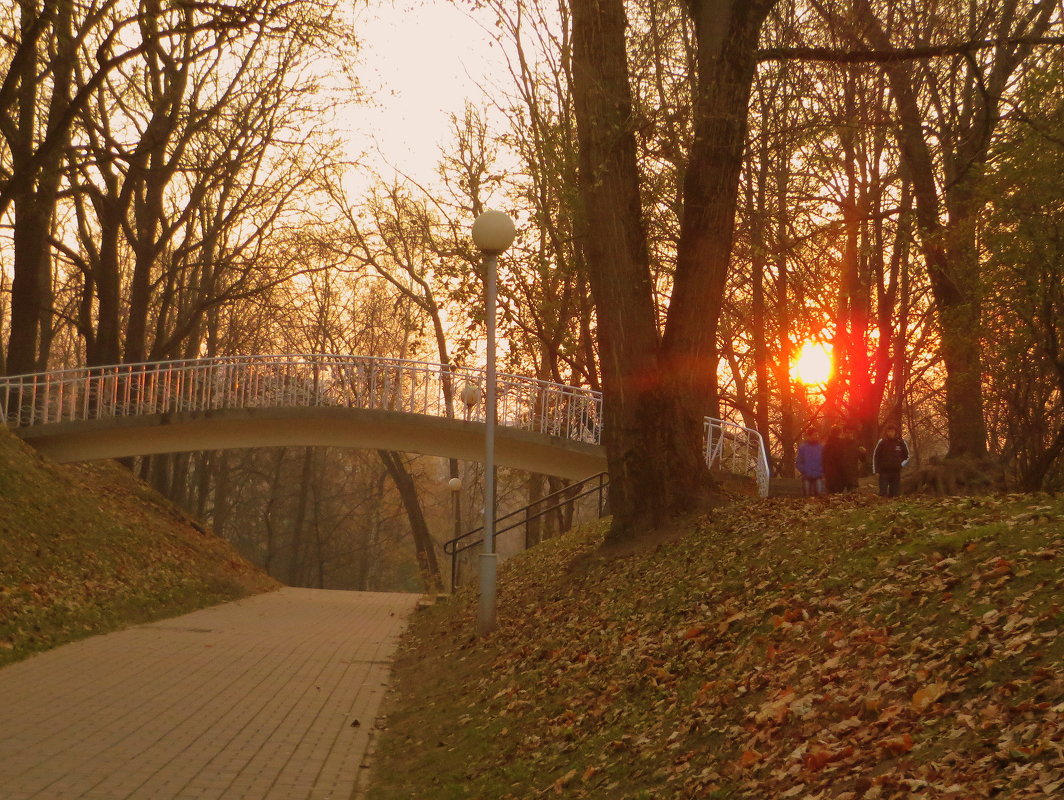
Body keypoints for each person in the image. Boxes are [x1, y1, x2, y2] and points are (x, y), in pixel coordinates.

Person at [873, 424, 910, 497]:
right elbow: (876, 457)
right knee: (883, 493)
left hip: (896, 472)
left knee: (895, 494)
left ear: (895, 432)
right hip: (884, 471)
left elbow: (907, 457)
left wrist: (901, 465)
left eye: (892, 431)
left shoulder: (901, 442)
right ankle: (882, 506)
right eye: (888, 431)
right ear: (886, 432)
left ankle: (893, 507)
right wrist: (876, 471)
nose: (890, 433)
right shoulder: (882, 442)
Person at [795, 429, 825, 496]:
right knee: (807, 496)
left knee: (819, 496)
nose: (816, 436)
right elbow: (798, 462)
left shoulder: (821, 448)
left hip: (818, 476)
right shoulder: (803, 448)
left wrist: (821, 470)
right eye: (815, 435)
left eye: (817, 434)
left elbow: (824, 462)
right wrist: (805, 470)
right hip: (807, 476)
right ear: (809, 436)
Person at [837, 425, 867, 492]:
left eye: (851, 432)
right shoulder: (840, 443)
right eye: (847, 432)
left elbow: (863, 460)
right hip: (841, 476)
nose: (849, 434)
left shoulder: (857, 444)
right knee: (838, 498)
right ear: (844, 433)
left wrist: (863, 453)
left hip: (852, 476)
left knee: (852, 498)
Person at [822, 425, 844, 493]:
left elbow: (823, 459)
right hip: (838, 474)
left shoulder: (826, 444)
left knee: (830, 494)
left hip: (829, 474)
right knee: (839, 496)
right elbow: (841, 459)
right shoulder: (841, 444)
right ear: (839, 433)